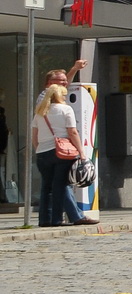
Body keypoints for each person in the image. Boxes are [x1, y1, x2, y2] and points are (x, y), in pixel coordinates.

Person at [31, 84, 85, 227]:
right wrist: (81, 152)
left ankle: (45, 220)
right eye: (64, 94)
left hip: (42, 153)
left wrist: (39, 149)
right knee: (60, 186)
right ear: (60, 96)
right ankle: (56, 219)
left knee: (46, 187)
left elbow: (34, 135)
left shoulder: (40, 112)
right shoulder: (66, 109)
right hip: (61, 153)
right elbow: (72, 132)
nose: (66, 97)